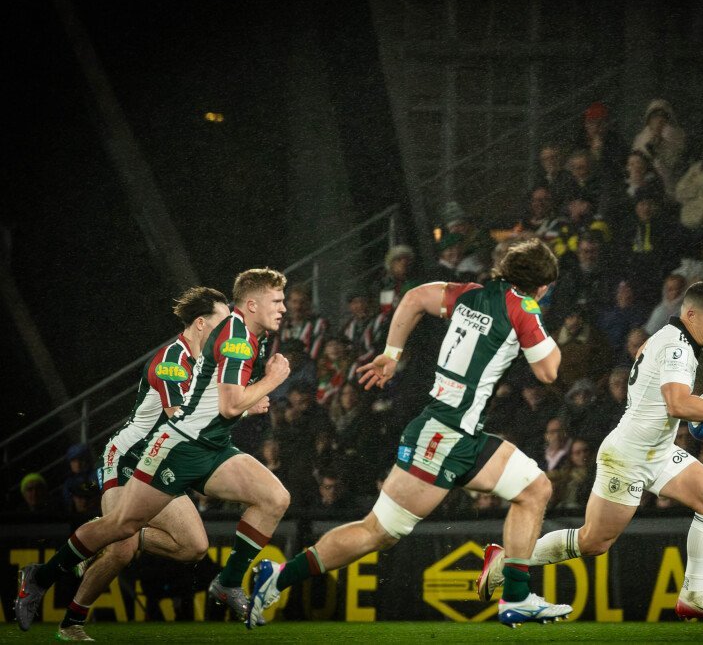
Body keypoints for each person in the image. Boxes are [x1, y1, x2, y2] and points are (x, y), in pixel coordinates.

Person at [245, 237, 572, 629]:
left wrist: (391, 353)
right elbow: (549, 371)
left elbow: (416, 297)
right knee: (378, 532)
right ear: (540, 285)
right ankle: (278, 578)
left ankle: (515, 597)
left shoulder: (470, 294)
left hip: (459, 432)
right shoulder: (523, 308)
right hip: (443, 437)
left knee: (535, 489)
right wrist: (539, 321)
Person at [15, 269, 292, 632]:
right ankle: (49, 588)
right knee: (121, 535)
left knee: (223, 529)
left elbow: (213, 403)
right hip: (142, 451)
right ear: (201, 324)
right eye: (277, 301)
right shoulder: (182, 357)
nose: (283, 308)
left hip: (206, 446)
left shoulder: (242, 339)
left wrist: (245, 398)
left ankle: (226, 583)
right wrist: (268, 383)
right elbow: (189, 412)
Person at [476, 281, 703, 622]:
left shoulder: (668, 338)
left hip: (658, 451)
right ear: (691, 315)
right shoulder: (676, 347)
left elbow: (665, 400)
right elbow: (677, 405)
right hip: (629, 456)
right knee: (593, 542)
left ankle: (693, 595)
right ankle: (506, 561)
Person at [47, 287, 231, 641]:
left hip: (159, 461)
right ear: (200, 323)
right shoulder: (172, 360)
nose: (228, 330)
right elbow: (180, 419)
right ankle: (71, 622)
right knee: (122, 549)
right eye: (223, 322)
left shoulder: (208, 364)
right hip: (129, 455)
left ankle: (106, 531)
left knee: (194, 547)